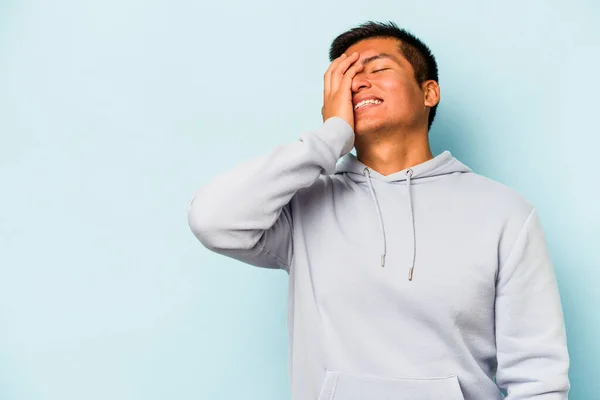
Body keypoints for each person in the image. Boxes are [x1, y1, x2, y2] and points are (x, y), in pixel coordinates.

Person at [187, 20, 570, 400]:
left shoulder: (504, 213)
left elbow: (539, 377)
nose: (357, 82)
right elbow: (212, 220)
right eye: (344, 76)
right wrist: (330, 136)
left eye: (378, 68)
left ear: (429, 92)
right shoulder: (303, 207)